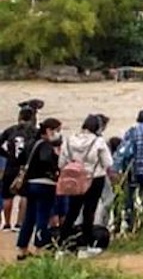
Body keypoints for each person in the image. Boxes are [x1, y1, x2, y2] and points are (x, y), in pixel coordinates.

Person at [58, 114, 112, 255]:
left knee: (72, 211)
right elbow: (108, 163)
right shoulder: (99, 142)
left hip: (74, 178)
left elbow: (61, 163)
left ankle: (62, 244)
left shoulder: (69, 140)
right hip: (94, 179)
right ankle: (85, 245)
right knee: (89, 212)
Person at [15, 118, 61, 259]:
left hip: (30, 184)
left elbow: (20, 159)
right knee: (43, 216)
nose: (58, 134)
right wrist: (55, 167)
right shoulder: (46, 145)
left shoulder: (30, 143)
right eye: (57, 130)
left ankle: (22, 248)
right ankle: (40, 248)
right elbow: (45, 159)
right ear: (49, 130)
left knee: (29, 217)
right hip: (45, 184)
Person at [0, 105, 39, 231]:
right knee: (24, 195)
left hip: (11, 166)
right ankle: (19, 223)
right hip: (26, 167)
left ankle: (6, 224)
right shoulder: (34, 131)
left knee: (7, 196)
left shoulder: (11, 130)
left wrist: (6, 154)